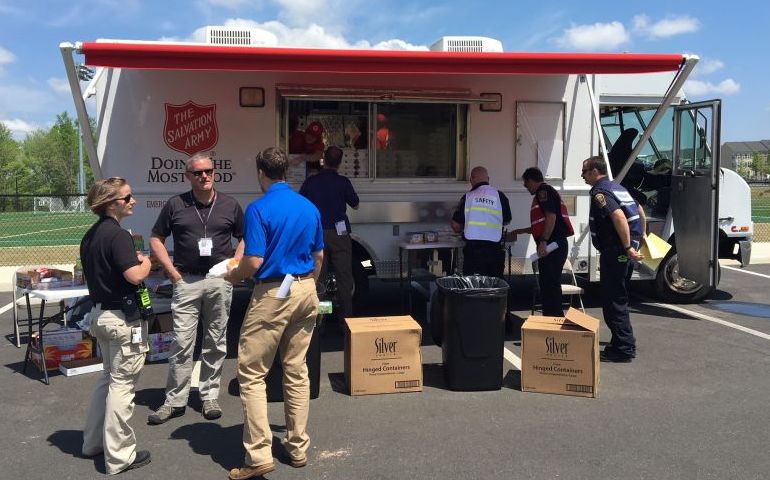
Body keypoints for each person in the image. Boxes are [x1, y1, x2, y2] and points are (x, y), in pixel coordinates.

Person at [225, 147, 324, 480]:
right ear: (287, 172)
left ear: (260, 172)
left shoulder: (258, 208)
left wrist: (233, 275)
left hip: (272, 292)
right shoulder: (308, 207)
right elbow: (319, 255)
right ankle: (297, 447)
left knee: (252, 373)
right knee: (296, 369)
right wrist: (309, 285)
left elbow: (253, 261)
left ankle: (258, 455)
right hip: (305, 288)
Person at [148, 153, 245, 425]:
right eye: (198, 172)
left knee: (215, 340)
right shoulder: (175, 204)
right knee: (182, 342)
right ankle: (175, 400)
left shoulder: (229, 205)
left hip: (219, 281)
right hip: (186, 280)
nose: (204, 176)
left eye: (209, 171)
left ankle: (209, 395)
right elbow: (156, 238)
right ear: (187, 176)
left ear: (215, 173)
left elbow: (245, 238)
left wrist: (234, 267)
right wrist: (172, 272)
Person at [80, 177, 152, 474]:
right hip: (122, 320)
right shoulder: (118, 235)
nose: (132, 201)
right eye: (127, 197)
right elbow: (135, 276)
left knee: (107, 380)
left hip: (100, 315)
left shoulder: (91, 236)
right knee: (122, 386)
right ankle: (120, 456)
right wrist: (146, 262)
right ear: (112, 203)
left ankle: (93, 442)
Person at [581, 155, 644, 363]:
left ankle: (624, 349)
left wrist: (627, 247)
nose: (582, 176)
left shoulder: (600, 192)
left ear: (594, 172)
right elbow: (639, 210)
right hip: (623, 253)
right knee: (619, 299)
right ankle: (620, 343)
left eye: (585, 172)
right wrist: (640, 238)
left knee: (613, 301)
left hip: (616, 252)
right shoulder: (617, 187)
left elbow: (617, 216)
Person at [300, 146, 360, 318]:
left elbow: (302, 205)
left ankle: (322, 319)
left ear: (323, 160)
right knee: (344, 278)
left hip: (317, 232)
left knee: (320, 279)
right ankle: (345, 319)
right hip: (339, 232)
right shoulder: (343, 182)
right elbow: (355, 204)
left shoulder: (311, 182)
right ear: (339, 163)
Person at [510, 167, 574, 316]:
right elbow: (541, 223)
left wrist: (543, 241)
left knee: (550, 285)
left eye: (526, 184)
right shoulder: (545, 192)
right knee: (547, 284)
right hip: (553, 245)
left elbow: (551, 217)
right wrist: (522, 231)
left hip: (553, 246)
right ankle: (551, 318)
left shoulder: (543, 192)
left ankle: (554, 319)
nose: (526, 187)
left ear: (532, 180)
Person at [451, 166, 512, 277]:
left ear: (472, 179)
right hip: (494, 251)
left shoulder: (467, 197)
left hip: (473, 253)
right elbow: (507, 220)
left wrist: (463, 229)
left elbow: (455, 225)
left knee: (473, 288)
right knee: (494, 287)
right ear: (488, 179)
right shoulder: (501, 196)